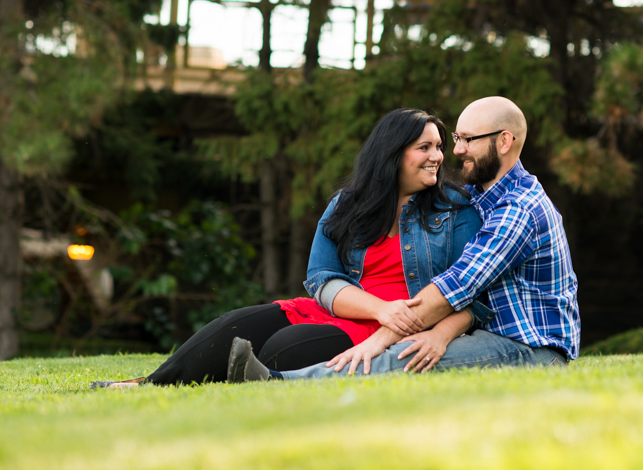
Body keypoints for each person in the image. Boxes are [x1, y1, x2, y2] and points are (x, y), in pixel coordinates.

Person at [90, 108, 482, 388]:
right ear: (393, 154)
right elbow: (322, 277)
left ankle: (244, 381)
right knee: (233, 325)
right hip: (356, 310)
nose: (437, 157)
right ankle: (149, 384)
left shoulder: (456, 209)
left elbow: (468, 291)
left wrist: (397, 322)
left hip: (394, 329)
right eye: (424, 147)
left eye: (438, 147)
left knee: (283, 349)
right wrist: (380, 308)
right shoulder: (349, 204)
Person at [227, 96, 580, 382]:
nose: (455, 152)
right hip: (488, 332)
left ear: (504, 141)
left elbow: (454, 287)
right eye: (457, 139)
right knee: (408, 351)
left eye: (468, 140)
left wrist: (381, 340)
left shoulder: (518, 209)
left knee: (401, 358)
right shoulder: (483, 197)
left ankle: (279, 382)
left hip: (530, 347)